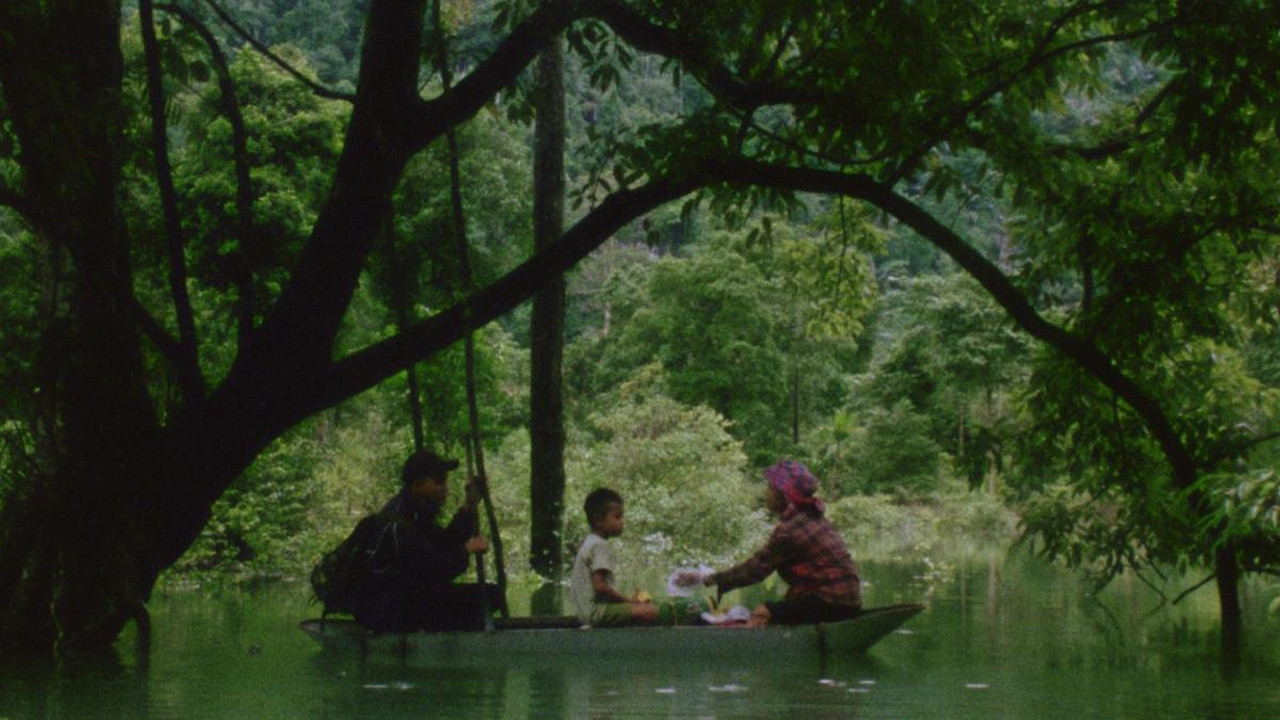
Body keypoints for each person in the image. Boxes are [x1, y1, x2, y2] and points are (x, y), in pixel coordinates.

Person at [683, 460, 861, 627]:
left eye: (770, 488)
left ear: (783, 494)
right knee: (773, 609)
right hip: (847, 602)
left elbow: (754, 570)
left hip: (832, 604)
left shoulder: (789, 530)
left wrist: (710, 579)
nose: (766, 494)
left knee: (762, 612)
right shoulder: (815, 518)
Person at [352, 450, 501, 633]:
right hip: (388, 612)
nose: (444, 488)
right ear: (417, 485)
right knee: (488, 597)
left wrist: (469, 506)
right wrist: (467, 549)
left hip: (402, 601)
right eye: (438, 481)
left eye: (445, 481)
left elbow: (444, 542)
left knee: (489, 594)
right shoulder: (400, 523)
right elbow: (435, 570)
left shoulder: (415, 511)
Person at [568, 488, 661, 626]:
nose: (622, 521)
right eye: (617, 517)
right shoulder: (600, 546)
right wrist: (628, 601)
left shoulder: (591, 542)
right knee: (651, 611)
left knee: (640, 609)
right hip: (596, 613)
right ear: (599, 520)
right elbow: (600, 587)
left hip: (586, 614)